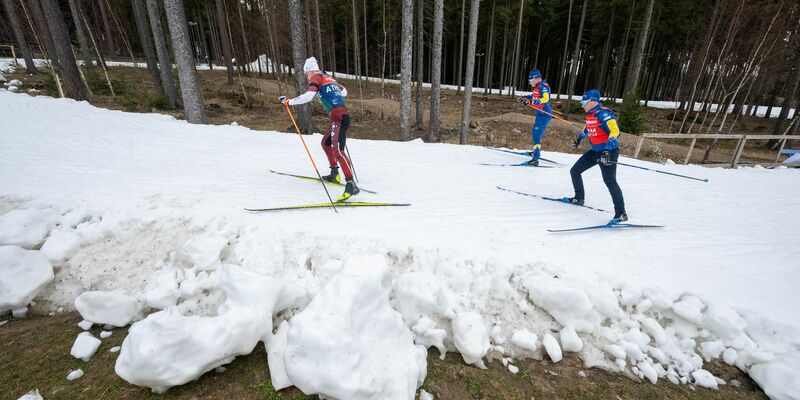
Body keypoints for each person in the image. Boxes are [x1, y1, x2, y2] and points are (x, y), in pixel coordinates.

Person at [279, 57, 358, 201]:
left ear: (309, 70)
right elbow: (344, 91)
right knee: (326, 144)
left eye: (305, 73)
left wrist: (289, 102)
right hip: (340, 116)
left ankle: (351, 183)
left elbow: (309, 96)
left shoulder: (316, 77)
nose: (306, 76)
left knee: (338, 150)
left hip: (338, 117)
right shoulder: (327, 77)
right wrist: (332, 89)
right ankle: (335, 174)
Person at [566, 89, 628, 223]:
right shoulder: (590, 114)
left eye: (584, 102)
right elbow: (588, 127)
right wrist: (578, 140)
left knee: (610, 181)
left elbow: (615, 131)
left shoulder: (604, 114)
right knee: (575, 171)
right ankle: (579, 198)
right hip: (595, 151)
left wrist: (607, 150)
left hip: (608, 152)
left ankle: (621, 213)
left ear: (593, 101)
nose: (582, 105)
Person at [516, 68, 552, 166]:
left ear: (536, 79)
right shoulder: (537, 87)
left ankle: (535, 158)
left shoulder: (543, 86)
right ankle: (535, 151)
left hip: (544, 115)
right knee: (535, 133)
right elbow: (534, 96)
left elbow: (546, 98)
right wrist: (525, 98)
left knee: (536, 134)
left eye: (530, 80)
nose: (529, 82)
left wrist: (530, 102)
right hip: (540, 114)